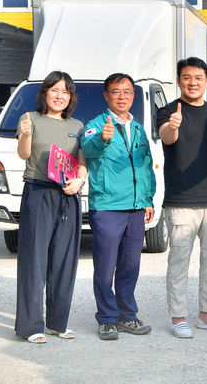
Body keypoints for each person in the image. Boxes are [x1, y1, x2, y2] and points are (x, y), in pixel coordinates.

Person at [156, 57, 207, 338]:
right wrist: (173, 126)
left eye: (198, 77)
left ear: (206, 80)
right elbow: (166, 137)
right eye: (187, 77)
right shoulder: (168, 111)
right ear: (178, 80)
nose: (193, 83)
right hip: (181, 203)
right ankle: (178, 317)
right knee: (179, 261)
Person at [81, 73, 156, 341]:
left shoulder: (138, 128)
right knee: (105, 266)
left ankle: (127, 315)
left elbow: (146, 165)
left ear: (133, 96)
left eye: (127, 92)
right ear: (106, 95)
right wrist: (102, 138)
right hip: (108, 206)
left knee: (130, 265)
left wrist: (147, 199)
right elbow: (87, 149)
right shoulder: (95, 124)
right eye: (116, 91)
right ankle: (106, 319)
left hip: (135, 207)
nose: (122, 96)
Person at [15, 71, 87, 344]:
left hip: (68, 194)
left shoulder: (78, 125)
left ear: (70, 97)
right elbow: (24, 154)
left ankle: (58, 322)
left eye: (65, 92)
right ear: (45, 93)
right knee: (35, 259)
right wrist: (24, 135)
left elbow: (82, 161)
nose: (59, 96)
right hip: (39, 192)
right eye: (54, 90)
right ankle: (31, 326)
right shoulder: (31, 119)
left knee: (64, 260)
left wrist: (80, 180)